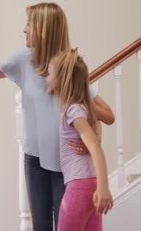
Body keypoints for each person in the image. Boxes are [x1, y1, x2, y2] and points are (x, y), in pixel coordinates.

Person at [0, 2, 115, 230]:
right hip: (34, 160)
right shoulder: (24, 59)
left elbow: (107, 114)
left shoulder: (65, 66)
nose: (24, 30)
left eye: (29, 24)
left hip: (65, 168)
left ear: (44, 30)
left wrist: (92, 133)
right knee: (40, 226)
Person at [46, 49, 113, 230]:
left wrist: (104, 187)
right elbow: (96, 132)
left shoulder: (73, 110)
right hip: (90, 184)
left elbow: (95, 147)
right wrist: (99, 186)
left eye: (49, 73)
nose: (46, 78)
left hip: (79, 187)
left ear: (62, 79)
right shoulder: (82, 108)